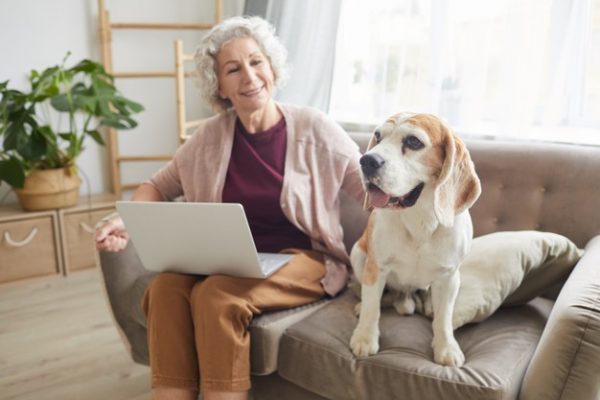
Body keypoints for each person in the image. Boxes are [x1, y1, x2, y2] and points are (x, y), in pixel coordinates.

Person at [95, 16, 364, 400]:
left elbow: (371, 188)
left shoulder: (314, 128)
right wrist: (125, 221)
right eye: (233, 69)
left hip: (305, 259)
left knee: (217, 296)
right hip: (230, 261)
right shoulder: (210, 137)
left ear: (272, 67)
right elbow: (158, 185)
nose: (250, 76)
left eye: (257, 62)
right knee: (167, 288)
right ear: (218, 85)